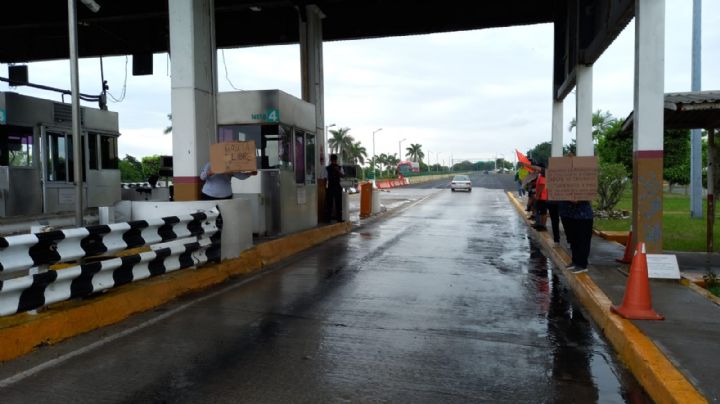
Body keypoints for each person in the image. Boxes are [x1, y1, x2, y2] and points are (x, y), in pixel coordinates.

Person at [559, 200, 594, 273]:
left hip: (583, 216)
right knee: (573, 239)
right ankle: (575, 261)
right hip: (568, 214)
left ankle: (582, 264)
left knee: (583, 239)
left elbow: (590, 195)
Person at [325, 154, 345, 222]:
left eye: (334, 160)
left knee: (334, 203)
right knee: (332, 203)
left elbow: (342, 176)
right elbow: (343, 176)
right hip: (333, 186)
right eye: (333, 160)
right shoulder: (328, 168)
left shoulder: (336, 167)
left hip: (333, 186)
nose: (333, 161)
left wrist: (337, 171)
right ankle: (334, 219)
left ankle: (330, 219)